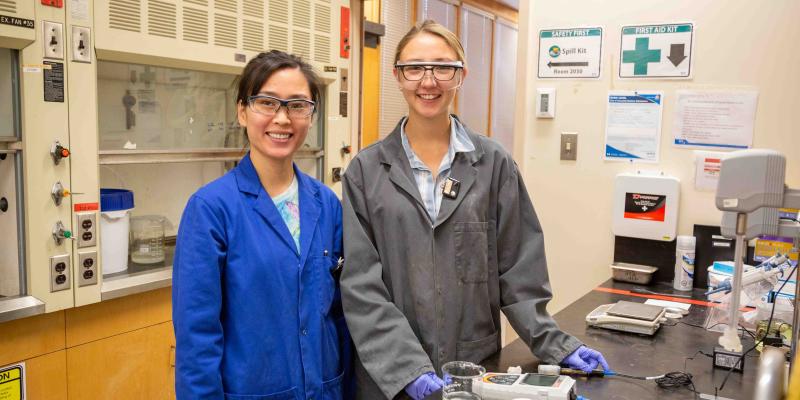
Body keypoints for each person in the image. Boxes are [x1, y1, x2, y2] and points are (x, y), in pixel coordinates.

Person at [340, 20, 609, 399]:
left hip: (474, 370)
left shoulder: (494, 164)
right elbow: (361, 287)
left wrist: (557, 344)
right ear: (398, 76)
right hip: (391, 382)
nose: (428, 81)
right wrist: (406, 370)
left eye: (443, 67)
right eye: (414, 68)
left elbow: (519, 271)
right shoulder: (366, 173)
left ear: (461, 75)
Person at [172, 50, 351, 399]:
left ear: (311, 116)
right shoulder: (211, 209)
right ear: (242, 111)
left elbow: (341, 317)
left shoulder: (326, 204)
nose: (282, 118)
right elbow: (197, 340)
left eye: (298, 105)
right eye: (267, 102)